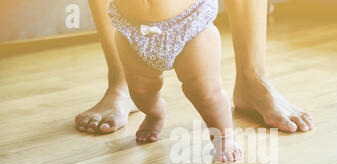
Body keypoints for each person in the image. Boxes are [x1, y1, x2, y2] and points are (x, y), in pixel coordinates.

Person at [75, 0, 313, 135]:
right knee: (143, 87)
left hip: (190, 23)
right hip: (131, 27)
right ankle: (124, 84)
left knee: (205, 91)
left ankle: (251, 83)